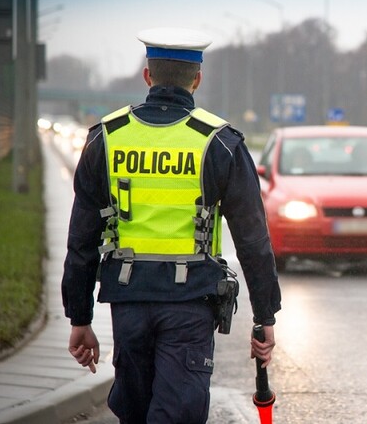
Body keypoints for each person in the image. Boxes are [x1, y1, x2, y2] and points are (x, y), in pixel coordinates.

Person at [61, 27, 281, 423]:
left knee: (137, 412)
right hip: (189, 306)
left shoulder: (106, 138)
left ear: (147, 76)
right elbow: (253, 240)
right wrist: (265, 318)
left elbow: (81, 240)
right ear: (197, 79)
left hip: (127, 302)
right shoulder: (220, 143)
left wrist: (80, 318)